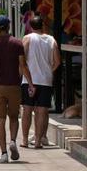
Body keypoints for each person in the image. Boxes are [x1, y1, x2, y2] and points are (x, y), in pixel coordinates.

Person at [0, 15, 32, 163]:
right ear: (9, 26)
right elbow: (23, 65)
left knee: (0, 119)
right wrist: (30, 83)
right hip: (14, 85)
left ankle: (4, 153)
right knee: (13, 116)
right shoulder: (17, 43)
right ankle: (13, 140)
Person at [21, 16, 60, 148]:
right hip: (45, 80)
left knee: (27, 109)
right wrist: (49, 70)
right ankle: (38, 141)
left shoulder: (27, 38)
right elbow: (57, 61)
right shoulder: (51, 40)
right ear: (42, 25)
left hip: (29, 80)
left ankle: (25, 140)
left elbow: (22, 58)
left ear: (31, 26)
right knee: (42, 111)